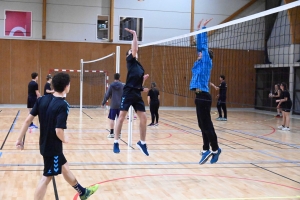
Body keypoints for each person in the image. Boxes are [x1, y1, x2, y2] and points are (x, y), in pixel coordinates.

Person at [16, 73, 99, 200]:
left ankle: (82, 192)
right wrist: (65, 139)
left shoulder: (42, 99)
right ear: (66, 86)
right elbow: (58, 131)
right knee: (47, 177)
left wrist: (19, 140)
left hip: (44, 144)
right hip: (52, 148)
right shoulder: (63, 105)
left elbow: (27, 121)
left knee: (64, 167)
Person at [113, 27, 150, 156]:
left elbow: (139, 84)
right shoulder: (130, 60)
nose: (133, 51)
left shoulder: (140, 67)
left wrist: (143, 82)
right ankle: (116, 141)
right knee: (122, 117)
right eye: (131, 51)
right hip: (128, 93)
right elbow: (135, 48)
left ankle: (142, 142)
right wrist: (134, 34)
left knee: (144, 118)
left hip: (136, 94)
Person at [189, 19, 221, 164]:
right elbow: (199, 46)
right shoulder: (198, 63)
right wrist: (197, 31)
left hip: (204, 96)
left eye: (201, 53)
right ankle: (205, 148)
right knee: (201, 125)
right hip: (198, 96)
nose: (199, 53)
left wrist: (203, 29)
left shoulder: (206, 61)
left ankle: (215, 149)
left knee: (207, 124)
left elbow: (203, 46)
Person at [101, 73, 124, 138]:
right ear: (119, 78)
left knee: (112, 119)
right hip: (120, 105)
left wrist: (103, 103)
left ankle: (111, 133)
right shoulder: (122, 85)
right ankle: (119, 134)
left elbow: (107, 95)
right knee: (120, 119)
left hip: (113, 105)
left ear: (114, 78)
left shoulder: (111, 85)